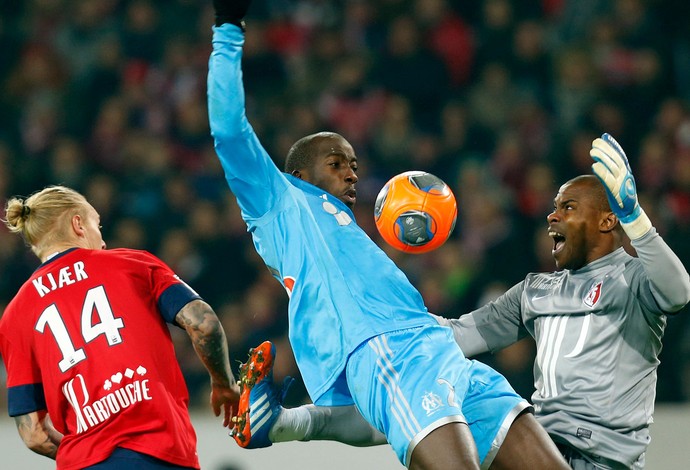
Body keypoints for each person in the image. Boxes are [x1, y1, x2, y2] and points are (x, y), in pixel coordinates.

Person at [207, 1, 570, 469]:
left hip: (443, 354)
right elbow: (229, 130)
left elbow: (375, 422)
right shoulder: (278, 200)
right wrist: (228, 30)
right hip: (388, 350)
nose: (351, 174)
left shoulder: (349, 232)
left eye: (355, 165)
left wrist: (286, 424)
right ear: (295, 172)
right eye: (336, 162)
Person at [240, 135, 690, 469]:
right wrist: (384, 312)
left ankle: (287, 425)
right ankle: (286, 424)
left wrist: (636, 218)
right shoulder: (535, 291)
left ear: (608, 219)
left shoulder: (636, 279)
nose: (552, 216)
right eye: (554, 206)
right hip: (536, 446)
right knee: (420, 395)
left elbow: (678, 293)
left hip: (602, 460)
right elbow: (455, 339)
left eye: (568, 207)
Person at [0, 185, 241, 469]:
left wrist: (87, 457)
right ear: (78, 224)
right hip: (157, 450)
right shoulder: (131, 264)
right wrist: (224, 383)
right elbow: (205, 324)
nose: (101, 241)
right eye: (96, 224)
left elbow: (33, 434)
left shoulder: (14, 315)